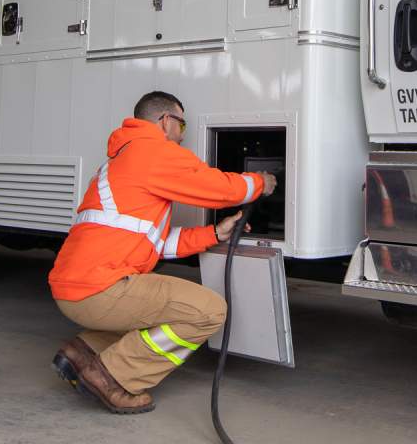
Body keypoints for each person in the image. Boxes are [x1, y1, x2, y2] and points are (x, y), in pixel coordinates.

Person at [49, 90, 277, 413]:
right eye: (182, 126)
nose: (182, 136)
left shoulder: (119, 159)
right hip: (100, 289)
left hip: (75, 290)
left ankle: (82, 352)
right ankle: (114, 376)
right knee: (208, 311)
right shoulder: (153, 151)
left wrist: (214, 233)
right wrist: (260, 182)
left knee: (158, 308)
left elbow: (157, 244)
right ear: (166, 121)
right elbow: (217, 187)